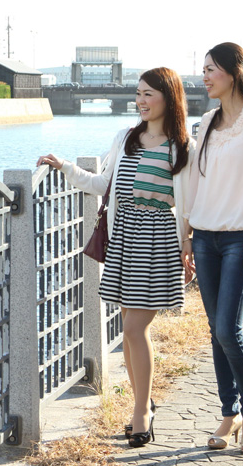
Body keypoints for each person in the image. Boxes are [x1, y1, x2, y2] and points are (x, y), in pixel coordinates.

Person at [37, 67, 196, 448]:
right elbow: (101, 185)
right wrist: (65, 168)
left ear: (168, 99)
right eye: (138, 94)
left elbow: (188, 205)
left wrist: (187, 242)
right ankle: (144, 402)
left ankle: (141, 411)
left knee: (133, 329)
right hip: (124, 240)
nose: (140, 101)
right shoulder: (125, 137)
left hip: (157, 242)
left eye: (149, 94)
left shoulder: (181, 148)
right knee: (128, 326)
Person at [183, 42, 243, 454]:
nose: (204, 76)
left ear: (234, 72)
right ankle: (228, 412)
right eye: (202, 69)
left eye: (211, 69)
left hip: (240, 236)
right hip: (204, 235)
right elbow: (196, 183)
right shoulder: (205, 121)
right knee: (215, 332)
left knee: (228, 329)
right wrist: (186, 234)